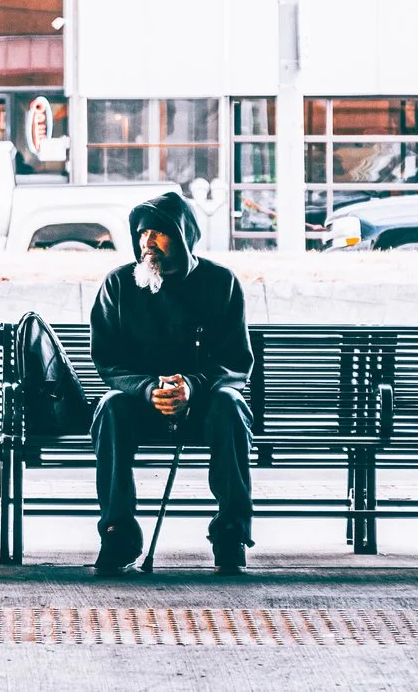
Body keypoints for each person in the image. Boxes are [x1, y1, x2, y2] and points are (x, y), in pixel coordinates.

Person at [89, 192, 255, 577]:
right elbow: (108, 363)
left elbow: (236, 362)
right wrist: (150, 389)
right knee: (109, 408)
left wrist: (191, 388)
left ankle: (231, 535)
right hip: (140, 405)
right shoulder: (118, 286)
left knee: (231, 405)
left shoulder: (220, 283)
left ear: (182, 236)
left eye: (159, 232)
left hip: (205, 406)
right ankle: (118, 535)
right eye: (143, 232)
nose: (148, 241)